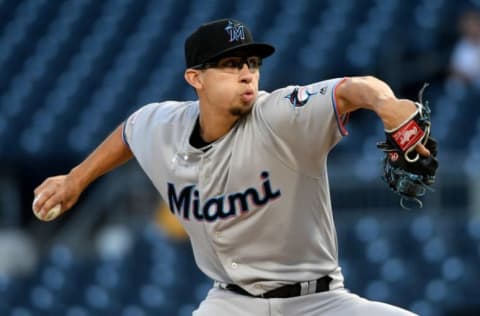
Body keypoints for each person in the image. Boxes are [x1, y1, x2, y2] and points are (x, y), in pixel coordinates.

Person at [33, 18, 431, 315]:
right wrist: (75, 179)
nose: (247, 73)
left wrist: (384, 104)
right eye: (230, 64)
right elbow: (129, 132)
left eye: (252, 63)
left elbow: (350, 90)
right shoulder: (163, 125)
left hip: (321, 302)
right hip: (231, 303)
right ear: (196, 78)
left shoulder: (280, 116)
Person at [449, 9, 480, 89]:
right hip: (467, 87)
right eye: (469, 25)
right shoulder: (461, 45)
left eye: (474, 24)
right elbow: (454, 70)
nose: (472, 28)